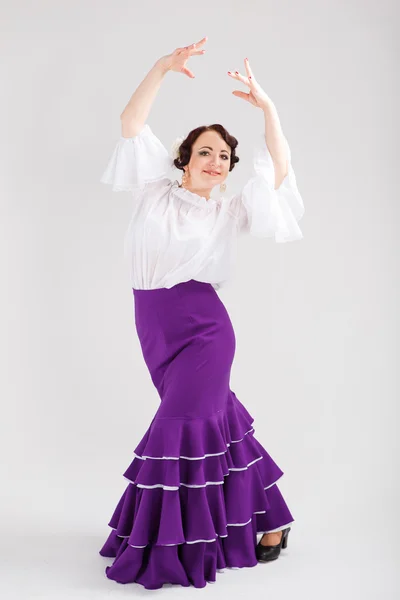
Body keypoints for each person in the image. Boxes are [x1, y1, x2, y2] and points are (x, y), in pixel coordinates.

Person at [98, 37, 304, 590]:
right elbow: (129, 121)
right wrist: (162, 67)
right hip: (155, 327)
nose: (217, 161)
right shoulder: (154, 194)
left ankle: (167, 542)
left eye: (225, 157)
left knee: (182, 426)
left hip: (207, 330)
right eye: (206, 151)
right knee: (220, 425)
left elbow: (279, 172)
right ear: (185, 157)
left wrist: (269, 110)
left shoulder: (230, 211)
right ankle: (271, 524)